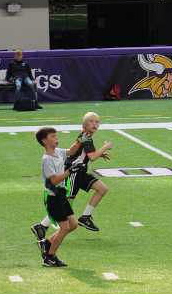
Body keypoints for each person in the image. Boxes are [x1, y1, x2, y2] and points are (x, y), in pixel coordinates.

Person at [30, 112, 112, 241]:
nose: (94, 124)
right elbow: (92, 157)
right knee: (65, 203)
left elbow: (83, 152)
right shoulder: (85, 137)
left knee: (102, 189)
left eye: (97, 122)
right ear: (84, 125)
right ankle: (42, 226)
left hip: (81, 172)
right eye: (91, 121)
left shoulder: (86, 136)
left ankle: (85, 217)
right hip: (74, 173)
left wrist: (99, 153)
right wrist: (105, 147)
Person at [35, 127, 80, 267]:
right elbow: (53, 180)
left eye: (56, 136)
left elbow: (71, 151)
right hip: (53, 197)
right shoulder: (47, 159)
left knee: (73, 225)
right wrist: (70, 171)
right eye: (53, 136)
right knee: (65, 227)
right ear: (44, 141)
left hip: (61, 195)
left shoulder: (58, 152)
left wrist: (82, 138)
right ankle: (49, 257)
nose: (56, 138)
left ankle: (47, 244)